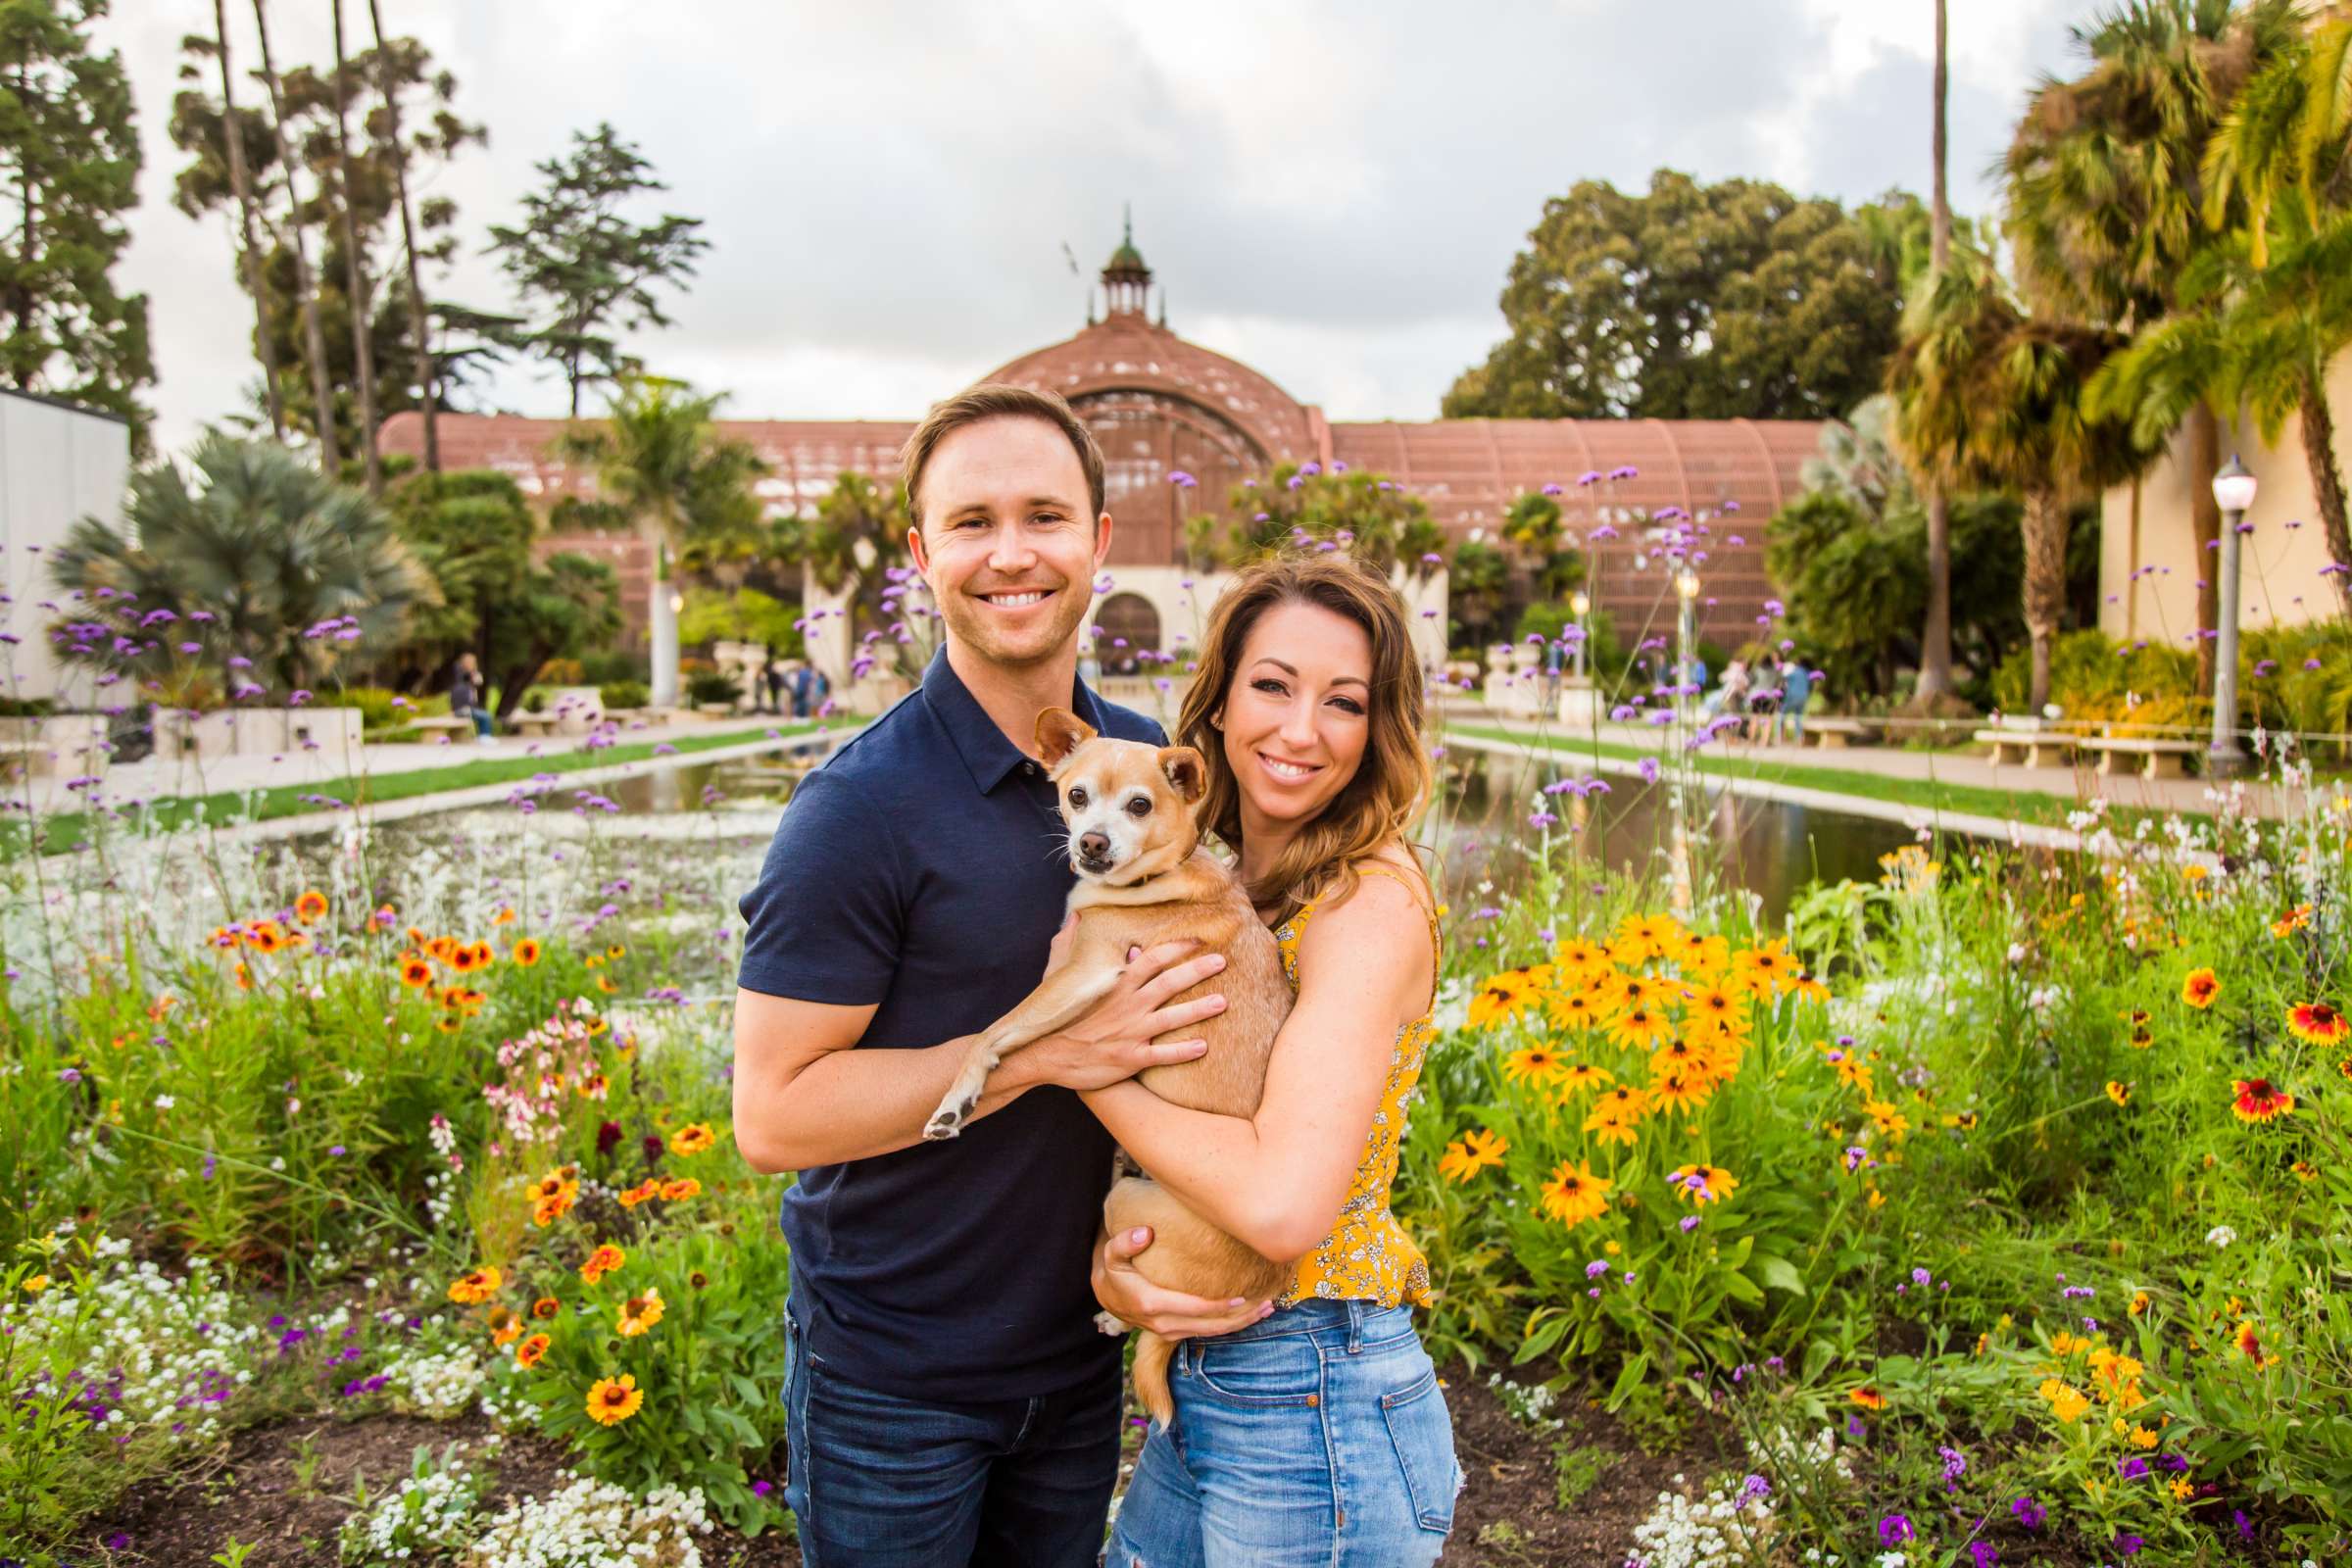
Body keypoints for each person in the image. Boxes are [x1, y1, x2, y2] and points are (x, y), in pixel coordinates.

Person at [731, 384, 1250, 1568]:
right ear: (923, 556)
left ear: (1099, 543)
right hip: (894, 1382)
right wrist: (1045, 1057)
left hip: (1076, 1362)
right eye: (972, 522)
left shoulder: (1139, 773)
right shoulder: (858, 810)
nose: (1012, 553)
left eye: (1045, 516)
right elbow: (772, 1115)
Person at [1095, 552, 1462, 1567]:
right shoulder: (1226, 884)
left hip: (1317, 1394)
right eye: (1272, 685)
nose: (1301, 730)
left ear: (1376, 732)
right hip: (1227, 1372)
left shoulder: (1366, 906)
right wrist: (1126, 1264)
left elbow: (1285, 1206)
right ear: (1215, 706)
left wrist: (1084, 1068)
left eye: (1344, 702)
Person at [450, 652, 495, 743]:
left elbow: (478, 682)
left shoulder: (469, 677)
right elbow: (467, 677)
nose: (472, 664)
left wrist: (474, 675)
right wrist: (473, 674)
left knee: (484, 714)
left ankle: (484, 736)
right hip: (460, 709)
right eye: (470, 662)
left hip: (468, 708)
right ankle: (484, 738)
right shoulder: (460, 673)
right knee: (485, 716)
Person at [1777, 656, 1815, 744]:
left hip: (1792, 696)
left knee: (1781, 715)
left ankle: (1779, 738)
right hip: (1803, 697)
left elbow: (1784, 678)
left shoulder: (1795, 671)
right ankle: (1799, 738)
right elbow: (1810, 686)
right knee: (1798, 717)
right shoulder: (1807, 673)